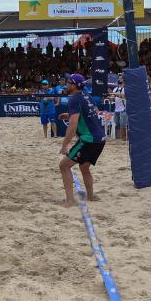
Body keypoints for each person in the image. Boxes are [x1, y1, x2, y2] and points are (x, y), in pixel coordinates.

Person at [58, 74, 105, 207]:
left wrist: (64, 145)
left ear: (73, 85)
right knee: (84, 167)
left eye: (68, 82)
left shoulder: (74, 99)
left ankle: (70, 201)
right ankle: (91, 196)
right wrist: (70, 114)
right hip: (100, 139)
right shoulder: (86, 95)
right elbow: (94, 111)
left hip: (88, 140)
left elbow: (72, 126)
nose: (66, 84)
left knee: (64, 166)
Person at [110, 76, 127, 141]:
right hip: (116, 109)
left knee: (123, 124)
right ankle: (122, 136)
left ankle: (124, 138)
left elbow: (123, 96)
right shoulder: (115, 89)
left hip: (123, 109)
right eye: (119, 78)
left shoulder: (125, 89)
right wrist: (110, 96)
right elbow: (112, 99)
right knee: (117, 123)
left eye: (121, 78)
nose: (119, 79)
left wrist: (114, 94)